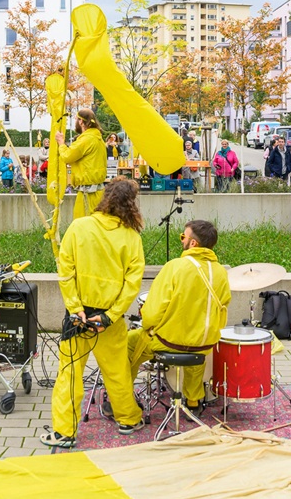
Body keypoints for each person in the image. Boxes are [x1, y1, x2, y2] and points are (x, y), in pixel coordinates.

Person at [42, 180, 146, 449]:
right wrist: (110, 316)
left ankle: (64, 433)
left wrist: (76, 309)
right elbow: (131, 284)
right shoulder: (131, 237)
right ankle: (128, 419)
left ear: (104, 197)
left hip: (78, 318)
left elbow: (66, 271)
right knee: (117, 371)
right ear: (131, 204)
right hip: (109, 320)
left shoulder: (79, 227)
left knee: (70, 374)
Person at [127, 220, 230, 411]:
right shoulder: (221, 272)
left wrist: (147, 327)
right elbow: (222, 308)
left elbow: (153, 311)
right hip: (204, 343)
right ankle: (193, 400)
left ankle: (124, 401)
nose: (181, 239)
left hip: (170, 342)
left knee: (125, 346)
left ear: (193, 243)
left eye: (184, 236)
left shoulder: (175, 267)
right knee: (195, 351)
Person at [54, 109, 107, 218]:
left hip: (87, 193)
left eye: (76, 120)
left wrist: (61, 143)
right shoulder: (98, 138)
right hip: (98, 192)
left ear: (81, 122)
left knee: (83, 227)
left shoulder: (86, 140)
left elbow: (67, 156)